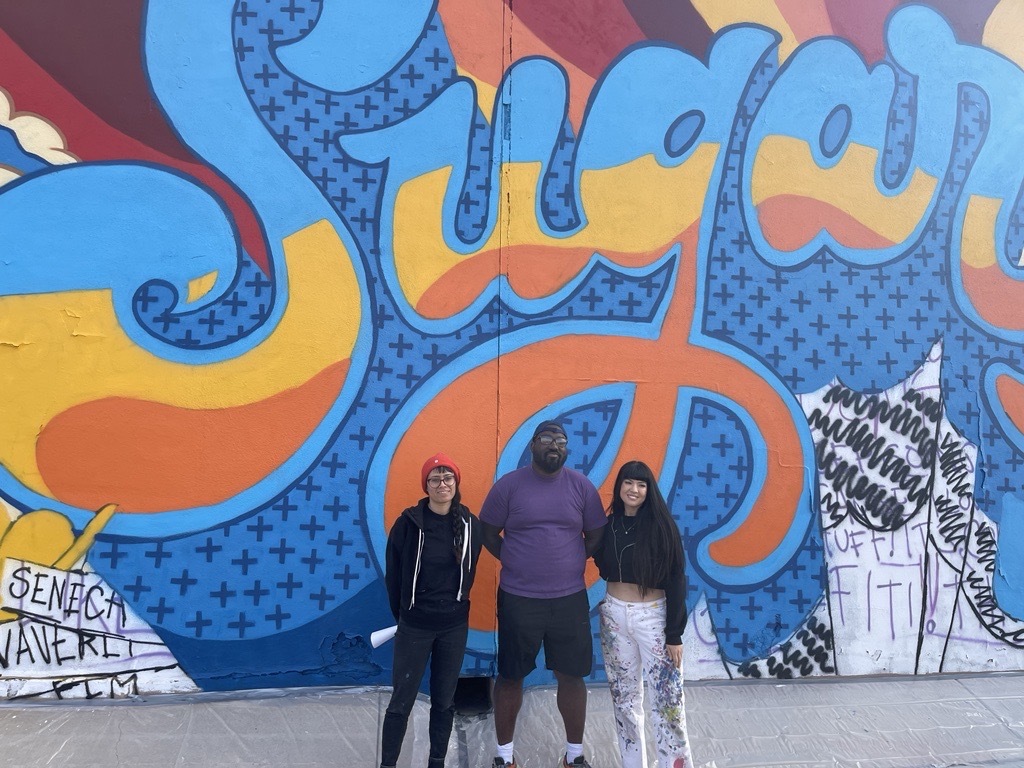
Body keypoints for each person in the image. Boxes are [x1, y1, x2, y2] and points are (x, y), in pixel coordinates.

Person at [480, 420, 607, 768]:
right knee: (510, 675)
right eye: (548, 439)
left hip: (568, 599)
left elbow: (596, 534)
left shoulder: (581, 487)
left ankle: (574, 756)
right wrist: (514, 559)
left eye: (561, 440)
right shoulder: (509, 487)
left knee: (572, 676)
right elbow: (488, 532)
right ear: (533, 445)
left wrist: (574, 558)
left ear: (566, 449)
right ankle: (504, 757)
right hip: (519, 598)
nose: (555, 445)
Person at [381, 453, 482, 768]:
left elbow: (471, 568)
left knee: (444, 700)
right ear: (426, 485)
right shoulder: (408, 523)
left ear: (456, 483)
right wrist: (406, 617)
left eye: (448, 477)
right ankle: (387, 764)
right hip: (415, 625)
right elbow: (394, 575)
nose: (442, 484)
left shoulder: (468, 524)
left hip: (453, 626)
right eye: (435, 479)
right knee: (401, 701)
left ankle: (436, 761)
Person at [594, 460, 694, 768]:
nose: (633, 489)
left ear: (649, 490)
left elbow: (677, 577)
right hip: (613, 617)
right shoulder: (608, 525)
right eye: (628, 482)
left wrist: (674, 633)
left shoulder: (662, 526)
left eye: (641, 484)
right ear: (619, 486)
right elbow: (601, 563)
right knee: (624, 699)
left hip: (653, 619)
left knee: (667, 702)